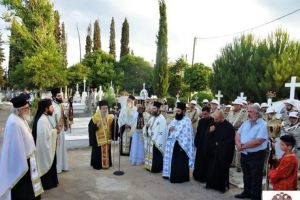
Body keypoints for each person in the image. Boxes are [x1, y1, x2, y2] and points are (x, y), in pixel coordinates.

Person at [0, 96, 43, 200]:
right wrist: (24, 162)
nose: (28, 110)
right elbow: (16, 148)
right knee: (23, 190)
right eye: (26, 108)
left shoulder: (20, 118)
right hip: (21, 164)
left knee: (30, 188)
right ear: (18, 110)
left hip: (28, 160)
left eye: (28, 107)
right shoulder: (14, 123)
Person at [235, 104, 268, 200]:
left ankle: (255, 196)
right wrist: (238, 144)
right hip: (245, 153)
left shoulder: (263, 125)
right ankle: (247, 192)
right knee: (246, 174)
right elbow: (238, 133)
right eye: (247, 111)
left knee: (256, 177)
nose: (248, 114)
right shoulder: (246, 123)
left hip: (256, 155)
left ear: (257, 113)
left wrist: (242, 146)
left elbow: (259, 141)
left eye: (250, 111)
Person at [163, 102, 195, 183]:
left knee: (180, 162)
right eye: (176, 111)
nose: (177, 113)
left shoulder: (187, 121)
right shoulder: (175, 119)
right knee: (174, 161)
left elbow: (187, 134)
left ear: (184, 111)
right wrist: (170, 128)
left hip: (182, 145)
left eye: (179, 111)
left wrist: (176, 132)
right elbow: (170, 126)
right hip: (173, 144)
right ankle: (172, 176)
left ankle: (181, 178)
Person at [205, 110, 235, 193]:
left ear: (222, 117)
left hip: (224, 153)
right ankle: (210, 184)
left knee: (222, 169)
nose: (215, 121)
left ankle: (222, 187)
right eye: (214, 118)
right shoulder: (214, 123)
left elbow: (231, 141)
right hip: (213, 151)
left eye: (217, 119)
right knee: (211, 168)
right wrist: (210, 131)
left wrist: (220, 144)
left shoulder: (229, 127)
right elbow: (207, 136)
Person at [32, 99, 58, 190]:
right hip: (44, 149)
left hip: (47, 147)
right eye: (51, 107)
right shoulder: (42, 120)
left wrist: (53, 131)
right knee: (47, 163)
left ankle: (52, 182)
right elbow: (43, 138)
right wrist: (55, 131)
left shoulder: (44, 117)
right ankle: (48, 184)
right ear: (46, 109)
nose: (53, 108)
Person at [88, 100, 114, 170]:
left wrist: (115, 121)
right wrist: (96, 126)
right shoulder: (95, 117)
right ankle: (98, 165)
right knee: (98, 153)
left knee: (107, 151)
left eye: (106, 108)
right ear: (100, 109)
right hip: (98, 140)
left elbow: (113, 126)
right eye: (103, 108)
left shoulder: (109, 117)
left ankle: (107, 163)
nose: (105, 110)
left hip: (107, 139)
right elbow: (90, 128)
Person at [143, 101, 168, 172]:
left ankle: (156, 168)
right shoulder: (152, 117)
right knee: (151, 153)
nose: (152, 110)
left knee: (156, 154)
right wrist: (146, 127)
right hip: (151, 139)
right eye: (152, 108)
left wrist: (150, 133)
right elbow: (147, 126)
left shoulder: (162, 119)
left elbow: (161, 131)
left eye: (154, 109)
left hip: (157, 141)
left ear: (158, 109)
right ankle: (149, 166)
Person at [49, 88, 68, 173]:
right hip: (55, 131)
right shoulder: (51, 106)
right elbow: (50, 119)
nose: (60, 97)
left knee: (62, 149)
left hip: (62, 131)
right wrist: (55, 129)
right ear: (53, 96)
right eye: (58, 96)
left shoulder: (60, 105)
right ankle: (57, 168)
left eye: (61, 96)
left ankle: (63, 166)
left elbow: (63, 117)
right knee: (57, 150)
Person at [193, 106, 214, 182]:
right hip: (200, 144)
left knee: (206, 161)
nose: (204, 116)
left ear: (209, 113)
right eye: (203, 114)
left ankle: (204, 177)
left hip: (208, 145)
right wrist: (196, 141)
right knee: (198, 160)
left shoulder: (213, 121)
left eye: (206, 114)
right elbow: (198, 132)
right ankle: (197, 175)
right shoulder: (201, 121)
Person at [226, 98, 247, 172]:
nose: (234, 106)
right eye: (234, 104)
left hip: (238, 132)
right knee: (231, 147)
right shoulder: (230, 112)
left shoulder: (244, 112)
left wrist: (233, 126)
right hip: (230, 132)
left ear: (240, 106)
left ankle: (239, 165)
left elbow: (242, 123)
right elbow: (227, 121)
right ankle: (232, 162)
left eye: (236, 105)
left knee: (238, 148)